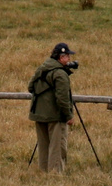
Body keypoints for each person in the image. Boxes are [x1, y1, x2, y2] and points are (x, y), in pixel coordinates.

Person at [28, 42, 77, 173]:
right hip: (55, 116)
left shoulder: (42, 67)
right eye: (67, 57)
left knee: (44, 146)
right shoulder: (60, 74)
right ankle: (55, 175)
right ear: (61, 57)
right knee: (57, 147)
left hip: (39, 113)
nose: (69, 60)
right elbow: (62, 99)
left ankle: (43, 172)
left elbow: (30, 87)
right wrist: (69, 116)